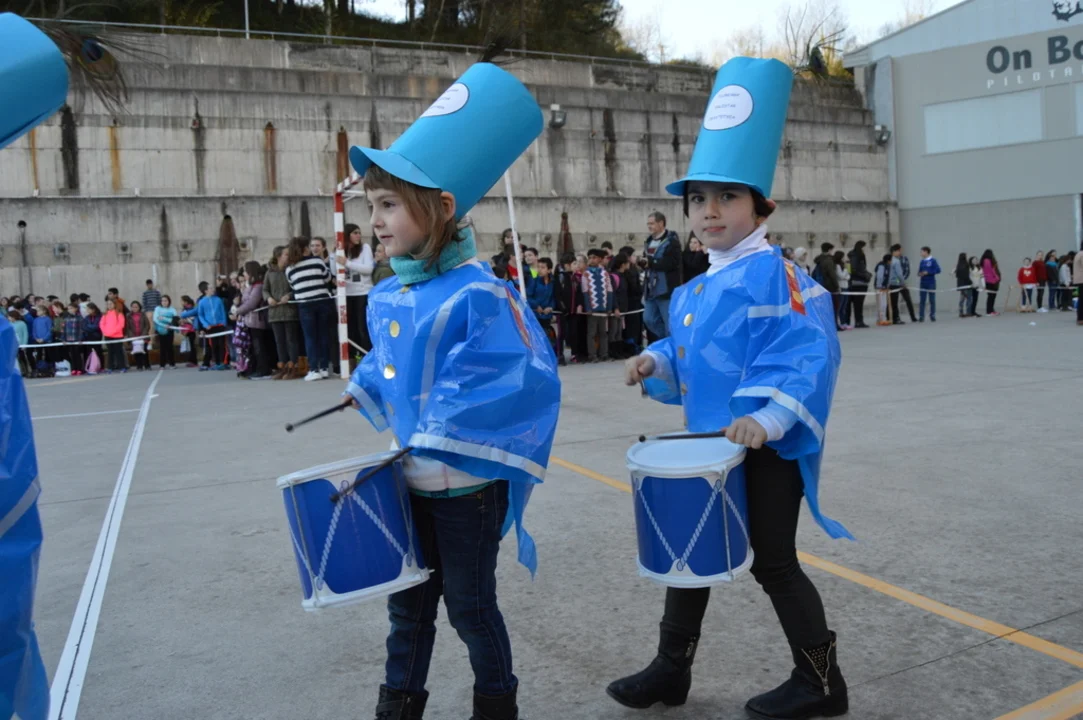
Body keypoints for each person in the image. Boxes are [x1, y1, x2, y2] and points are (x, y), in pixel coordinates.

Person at [610, 57, 851, 720]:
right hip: (710, 444)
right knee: (689, 554)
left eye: (726, 197)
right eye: (697, 199)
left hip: (765, 447)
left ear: (759, 208)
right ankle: (670, 671)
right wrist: (654, 360)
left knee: (773, 562)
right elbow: (690, 351)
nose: (708, 210)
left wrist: (768, 420)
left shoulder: (781, 276)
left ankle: (821, 682)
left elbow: (809, 353)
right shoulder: (693, 289)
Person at [343, 58, 560, 720]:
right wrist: (364, 383)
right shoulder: (388, 295)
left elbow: (515, 375)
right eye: (371, 206)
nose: (375, 221)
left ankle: (496, 706)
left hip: (468, 489)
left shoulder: (484, 293)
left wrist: (442, 423)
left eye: (388, 205)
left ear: (440, 209)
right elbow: (391, 362)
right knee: (407, 606)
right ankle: (397, 706)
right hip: (407, 481)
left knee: (469, 607)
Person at [285, 235, 335, 381]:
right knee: (323, 334)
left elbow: (293, 287)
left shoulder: (290, 269)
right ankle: (324, 368)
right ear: (305, 248)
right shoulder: (317, 261)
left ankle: (314, 369)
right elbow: (327, 278)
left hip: (305, 304)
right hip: (323, 300)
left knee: (310, 337)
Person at [264, 246, 303, 380]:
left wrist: (289, 296)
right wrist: (269, 298)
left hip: (289, 311)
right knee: (279, 341)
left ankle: (293, 367)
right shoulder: (269, 272)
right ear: (278, 256)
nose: (288, 256)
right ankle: (283, 367)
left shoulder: (291, 270)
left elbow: (297, 286)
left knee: (291, 340)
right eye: (286, 254)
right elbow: (265, 289)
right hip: (274, 312)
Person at [642, 211, 682, 340]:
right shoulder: (648, 241)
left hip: (665, 289)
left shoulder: (672, 241)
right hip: (650, 289)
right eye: (648, 224)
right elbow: (647, 261)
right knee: (648, 319)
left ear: (661, 223)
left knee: (669, 322)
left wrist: (652, 262)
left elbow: (672, 263)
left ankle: (672, 344)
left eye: (652, 223)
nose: (649, 226)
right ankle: (666, 340)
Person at [235, 261, 273, 378]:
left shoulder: (258, 286)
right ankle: (255, 368)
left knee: (259, 346)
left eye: (245, 271)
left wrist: (237, 311)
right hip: (250, 320)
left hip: (257, 320)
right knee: (253, 347)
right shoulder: (251, 286)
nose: (244, 274)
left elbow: (251, 303)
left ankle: (264, 369)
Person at [343, 223, 376, 356]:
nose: (358, 236)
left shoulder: (365, 248)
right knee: (351, 329)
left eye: (359, 233)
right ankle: (354, 358)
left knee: (363, 327)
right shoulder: (341, 250)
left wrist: (347, 263)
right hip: (347, 293)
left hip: (363, 292)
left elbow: (368, 269)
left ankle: (367, 356)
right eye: (355, 233)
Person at [182, 281, 229, 370]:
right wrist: (206, 324)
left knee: (222, 345)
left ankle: (224, 362)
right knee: (213, 345)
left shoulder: (218, 300)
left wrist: (224, 323)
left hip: (220, 325)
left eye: (213, 288)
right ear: (206, 291)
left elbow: (223, 311)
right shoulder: (202, 302)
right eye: (211, 288)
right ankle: (217, 362)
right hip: (210, 327)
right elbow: (201, 315)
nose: (213, 289)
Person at [581, 248, 614, 362]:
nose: (591, 260)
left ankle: (604, 353)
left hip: (603, 308)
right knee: (591, 333)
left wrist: (609, 307)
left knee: (603, 332)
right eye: (589, 258)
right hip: (592, 309)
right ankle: (592, 355)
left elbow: (609, 290)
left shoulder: (605, 274)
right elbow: (585, 292)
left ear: (599, 259)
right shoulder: (586, 274)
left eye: (594, 257)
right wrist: (588, 307)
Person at [527, 256, 561, 359]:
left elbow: (554, 297)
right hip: (535, 314)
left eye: (543, 267)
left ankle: (549, 357)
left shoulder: (553, 282)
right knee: (536, 337)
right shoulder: (534, 280)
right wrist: (536, 305)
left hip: (546, 315)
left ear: (549, 270)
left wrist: (550, 307)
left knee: (547, 335)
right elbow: (528, 296)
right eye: (538, 267)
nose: (540, 270)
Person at [844, 241, 870, 329]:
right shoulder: (857, 257)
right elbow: (854, 270)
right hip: (858, 283)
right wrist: (865, 276)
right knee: (858, 304)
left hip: (856, 282)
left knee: (854, 304)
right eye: (864, 247)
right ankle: (858, 321)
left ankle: (849, 321)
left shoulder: (854, 256)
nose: (865, 249)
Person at [100, 299, 128, 373]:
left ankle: (122, 367)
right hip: (107, 336)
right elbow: (101, 324)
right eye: (108, 304)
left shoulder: (119, 313)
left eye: (111, 304)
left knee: (119, 352)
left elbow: (121, 325)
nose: (109, 305)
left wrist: (113, 332)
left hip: (117, 336)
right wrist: (105, 332)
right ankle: (110, 367)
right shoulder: (105, 314)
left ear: (115, 304)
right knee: (110, 352)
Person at [153, 295, 178, 368]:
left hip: (170, 329)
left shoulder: (172, 309)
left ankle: (172, 364)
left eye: (166, 300)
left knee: (170, 347)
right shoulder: (157, 309)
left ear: (169, 301)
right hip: (160, 330)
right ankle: (162, 364)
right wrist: (164, 325)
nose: (164, 302)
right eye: (162, 301)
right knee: (162, 347)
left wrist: (164, 318)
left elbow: (175, 319)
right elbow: (156, 319)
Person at [917, 246, 941, 322]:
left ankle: (932, 315)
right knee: (922, 300)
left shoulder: (933, 260)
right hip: (923, 283)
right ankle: (921, 316)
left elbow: (938, 270)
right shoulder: (922, 261)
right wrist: (920, 274)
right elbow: (919, 271)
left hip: (931, 283)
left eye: (922, 252)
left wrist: (928, 272)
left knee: (932, 300)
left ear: (926, 252)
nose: (921, 253)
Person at [127, 301, 151, 370]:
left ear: (139, 307)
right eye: (133, 307)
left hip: (143, 337)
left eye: (136, 307)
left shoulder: (143, 315)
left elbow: (147, 325)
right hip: (134, 337)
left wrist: (143, 335)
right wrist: (132, 336)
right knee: (137, 351)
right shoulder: (128, 316)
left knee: (145, 350)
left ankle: (147, 365)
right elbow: (127, 328)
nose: (134, 308)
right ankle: (139, 365)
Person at [981, 249, 1001, 316]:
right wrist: (997, 277)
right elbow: (991, 270)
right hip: (991, 281)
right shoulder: (987, 261)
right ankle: (989, 311)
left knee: (992, 296)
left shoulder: (984, 261)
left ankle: (991, 310)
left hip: (989, 281)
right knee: (991, 297)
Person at [954, 254, 972, 318]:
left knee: (962, 300)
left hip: (960, 285)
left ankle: (961, 313)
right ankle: (968, 312)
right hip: (966, 284)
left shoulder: (958, 265)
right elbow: (967, 276)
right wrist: (971, 282)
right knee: (969, 299)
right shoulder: (966, 265)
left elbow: (957, 276)